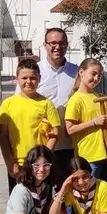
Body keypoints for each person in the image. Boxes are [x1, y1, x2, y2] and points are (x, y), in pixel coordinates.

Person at [0, 59, 60, 193]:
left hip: (40, 167)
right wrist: (10, 164)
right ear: (17, 79)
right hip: (18, 165)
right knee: (19, 207)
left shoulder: (46, 104)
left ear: (39, 79)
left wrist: (43, 160)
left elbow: (55, 134)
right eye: (24, 78)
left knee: (41, 207)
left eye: (33, 78)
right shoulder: (8, 104)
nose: (29, 82)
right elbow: (3, 137)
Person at [35, 28, 80, 187]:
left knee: (67, 191)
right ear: (45, 45)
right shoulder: (35, 71)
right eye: (53, 43)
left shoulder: (77, 72)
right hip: (42, 145)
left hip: (69, 145)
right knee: (42, 193)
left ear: (67, 45)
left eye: (61, 43)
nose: (57, 47)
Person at [65, 58, 107, 187]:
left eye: (99, 76)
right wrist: (94, 122)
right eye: (93, 74)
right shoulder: (76, 100)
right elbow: (70, 129)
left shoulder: (101, 97)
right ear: (81, 72)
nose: (96, 78)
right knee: (90, 193)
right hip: (88, 157)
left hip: (106, 155)